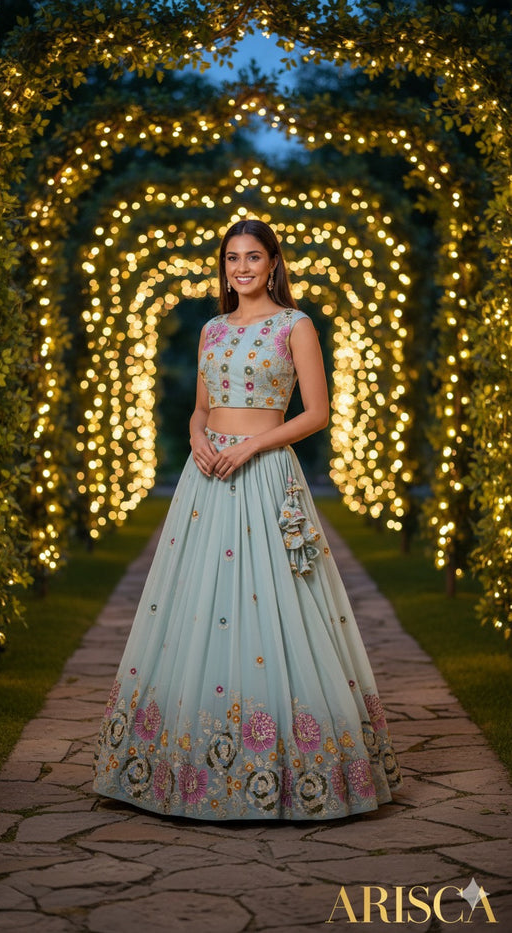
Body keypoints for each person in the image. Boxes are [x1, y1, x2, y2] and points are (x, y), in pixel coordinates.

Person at [93, 218, 402, 820]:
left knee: (277, 599)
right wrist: (196, 437)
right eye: (232, 258)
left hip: (263, 475)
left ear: (273, 263)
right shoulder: (211, 329)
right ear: (224, 266)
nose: (241, 268)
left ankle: (294, 761)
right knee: (197, 602)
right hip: (208, 478)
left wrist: (252, 447)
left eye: (253, 257)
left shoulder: (295, 325)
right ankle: (179, 763)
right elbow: (201, 406)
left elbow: (317, 413)